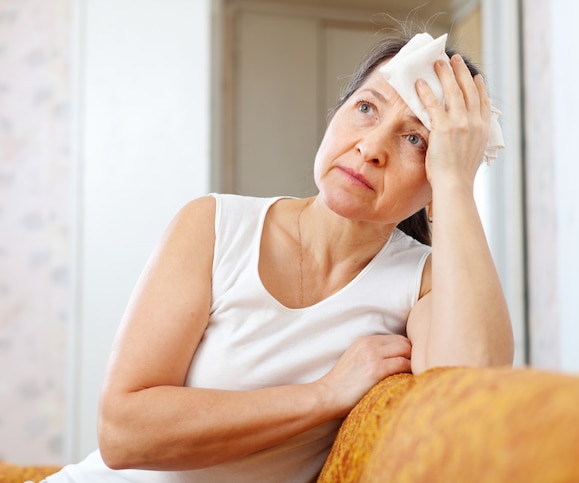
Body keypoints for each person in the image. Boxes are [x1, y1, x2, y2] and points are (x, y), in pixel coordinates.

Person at [43, 28, 514, 483]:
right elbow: (123, 435)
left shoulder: (423, 282)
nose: (371, 148)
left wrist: (455, 181)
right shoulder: (213, 224)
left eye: (416, 140)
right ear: (336, 113)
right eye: (367, 107)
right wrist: (323, 395)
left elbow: (467, 396)